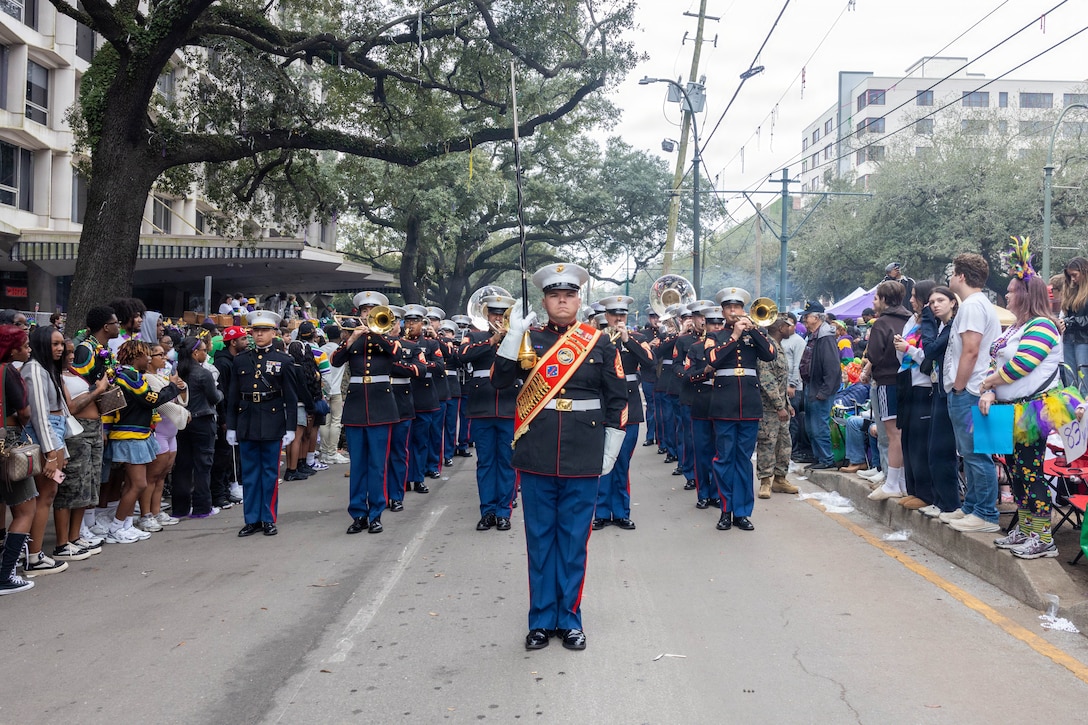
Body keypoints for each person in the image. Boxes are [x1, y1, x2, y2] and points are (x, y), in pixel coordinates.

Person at [491, 263, 627, 652]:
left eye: (568, 294)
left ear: (578, 298)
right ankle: (540, 620)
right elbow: (500, 381)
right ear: (545, 300)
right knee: (539, 540)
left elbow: (618, 399)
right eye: (554, 295)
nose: (562, 300)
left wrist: (611, 447)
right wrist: (512, 336)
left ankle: (569, 619)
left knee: (573, 542)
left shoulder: (599, 342)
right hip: (536, 453)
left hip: (583, 455)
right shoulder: (528, 338)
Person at [979, 239, 1070, 558]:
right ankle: (1027, 528)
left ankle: (1043, 537)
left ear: (1025, 295)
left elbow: (1022, 365)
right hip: (1008, 410)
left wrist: (988, 383)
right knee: (1016, 472)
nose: (1005, 295)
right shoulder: (1017, 327)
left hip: (1032, 410)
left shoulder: (1043, 326)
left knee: (1030, 472)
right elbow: (997, 361)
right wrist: (990, 388)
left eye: (1011, 290)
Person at [704, 287, 777, 531]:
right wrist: (734, 336)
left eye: (737, 307)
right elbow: (712, 360)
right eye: (729, 308)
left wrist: (753, 329)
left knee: (743, 461)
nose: (734, 311)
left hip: (749, 405)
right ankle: (726, 509)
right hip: (724, 405)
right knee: (724, 459)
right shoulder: (715, 336)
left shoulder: (754, 333)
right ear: (723, 312)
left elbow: (770, 355)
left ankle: (743, 512)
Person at [103, 339, 187, 544]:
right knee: (139, 484)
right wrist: (172, 387)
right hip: (130, 435)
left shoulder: (128, 374)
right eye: (145, 355)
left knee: (133, 483)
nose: (148, 358)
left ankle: (126, 524)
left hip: (137, 434)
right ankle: (117, 526)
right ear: (135, 357)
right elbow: (152, 399)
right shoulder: (129, 376)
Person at [330, 292, 400, 535]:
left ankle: (376, 513)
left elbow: (395, 355)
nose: (367, 314)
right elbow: (336, 361)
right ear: (358, 313)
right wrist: (351, 340)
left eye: (372, 311)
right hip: (357, 406)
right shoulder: (352, 338)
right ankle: (358, 513)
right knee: (358, 464)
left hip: (382, 406)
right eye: (364, 311)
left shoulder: (388, 338)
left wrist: (375, 332)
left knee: (377, 464)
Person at [942, 253, 1002, 533]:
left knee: (977, 454)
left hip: (970, 389)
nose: (950, 278)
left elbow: (971, 349)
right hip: (973, 388)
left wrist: (958, 386)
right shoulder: (977, 304)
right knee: (971, 453)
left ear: (962, 276)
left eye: (952, 273)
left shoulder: (973, 306)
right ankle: (972, 507)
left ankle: (986, 514)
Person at [226, 310, 299, 537]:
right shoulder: (240, 360)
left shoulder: (284, 361)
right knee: (249, 474)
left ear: (273, 332)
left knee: (269, 473)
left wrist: (290, 427)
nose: (259, 335)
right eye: (256, 331)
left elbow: (291, 397)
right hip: (247, 419)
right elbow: (233, 395)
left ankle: (268, 518)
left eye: (264, 331)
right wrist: (231, 426)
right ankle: (251, 519)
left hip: (272, 419)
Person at [459, 294, 520, 531]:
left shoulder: (518, 338)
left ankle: (504, 511)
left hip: (508, 407)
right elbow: (461, 356)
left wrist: (512, 338)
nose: (499, 318)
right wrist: (494, 339)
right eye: (494, 314)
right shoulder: (475, 336)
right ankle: (488, 511)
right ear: (487, 316)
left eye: (503, 315)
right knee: (485, 462)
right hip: (482, 407)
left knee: (506, 462)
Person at [593, 295, 653, 529]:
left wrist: (628, 341)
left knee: (622, 462)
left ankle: (621, 511)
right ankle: (600, 511)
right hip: (603, 405)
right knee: (603, 460)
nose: (618, 318)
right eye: (613, 314)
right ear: (605, 316)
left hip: (629, 405)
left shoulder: (638, 338)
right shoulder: (596, 340)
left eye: (622, 314)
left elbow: (650, 362)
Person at [21, 325, 74, 575]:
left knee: (49, 493)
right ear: (42, 343)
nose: (60, 348)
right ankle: (33, 556)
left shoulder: (46, 368)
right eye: (55, 344)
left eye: (61, 343)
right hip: (46, 435)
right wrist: (51, 452)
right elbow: (40, 416)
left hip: (55, 432)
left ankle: (34, 552)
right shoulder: (34, 369)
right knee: (44, 496)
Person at [59, 339, 111, 553]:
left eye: (72, 352)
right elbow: (71, 407)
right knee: (72, 486)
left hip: (93, 429)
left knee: (88, 485)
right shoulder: (57, 376)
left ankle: (76, 535)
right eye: (67, 352)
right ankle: (64, 541)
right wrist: (98, 390)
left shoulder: (74, 373)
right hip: (76, 432)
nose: (72, 356)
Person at [891, 279, 938, 511]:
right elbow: (905, 355)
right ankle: (913, 489)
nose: (910, 301)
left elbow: (929, 357)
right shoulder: (912, 320)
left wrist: (908, 349)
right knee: (908, 437)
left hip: (923, 385)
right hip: (906, 380)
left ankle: (926, 492)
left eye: (914, 296)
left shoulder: (933, 323)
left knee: (920, 441)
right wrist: (900, 346)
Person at [865, 280, 913, 501]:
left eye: (876, 297)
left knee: (893, 434)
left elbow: (873, 355)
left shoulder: (881, 323)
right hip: (910, 379)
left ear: (884, 299)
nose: (875, 302)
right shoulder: (910, 319)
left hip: (887, 380)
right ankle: (901, 482)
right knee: (903, 434)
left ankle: (892, 482)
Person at [0, 325, 37, 594]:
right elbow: (24, 411)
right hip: (7, 441)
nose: (28, 349)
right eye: (24, 345)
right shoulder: (8, 371)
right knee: (26, 509)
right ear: (11, 349)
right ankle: (6, 575)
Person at [920, 286, 961, 517]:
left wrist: (926, 319)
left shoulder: (953, 325)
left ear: (953, 302)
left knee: (943, 451)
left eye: (940, 300)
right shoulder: (943, 326)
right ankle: (941, 501)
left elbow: (930, 349)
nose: (935, 305)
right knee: (935, 450)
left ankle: (949, 504)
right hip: (940, 390)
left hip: (951, 392)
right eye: (931, 302)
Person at [173, 337, 222, 518]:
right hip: (203, 420)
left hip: (182, 422)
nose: (206, 353)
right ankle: (202, 507)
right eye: (203, 350)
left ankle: (180, 508)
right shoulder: (203, 374)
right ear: (195, 353)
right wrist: (221, 394)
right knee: (203, 465)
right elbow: (214, 397)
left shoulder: (177, 372)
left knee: (183, 466)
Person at [755, 318, 799, 498]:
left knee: (784, 444)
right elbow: (767, 381)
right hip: (768, 408)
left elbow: (781, 381)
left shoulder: (778, 347)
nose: (791, 328)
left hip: (780, 406)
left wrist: (787, 405)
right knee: (767, 443)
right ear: (781, 328)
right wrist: (780, 406)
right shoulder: (768, 348)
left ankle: (780, 479)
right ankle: (765, 481)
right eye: (788, 326)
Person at [799, 308, 841, 470]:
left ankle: (827, 459)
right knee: (811, 426)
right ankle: (819, 457)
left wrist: (824, 391)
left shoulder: (825, 337)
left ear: (816, 318)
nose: (804, 319)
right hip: (811, 386)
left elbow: (832, 368)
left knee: (819, 426)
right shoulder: (813, 335)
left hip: (820, 389)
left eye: (807, 316)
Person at [318, 325, 350, 465]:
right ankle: (332, 452)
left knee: (325, 422)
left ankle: (324, 452)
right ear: (339, 335)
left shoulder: (321, 350)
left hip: (324, 390)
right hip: (337, 390)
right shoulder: (340, 350)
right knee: (336, 422)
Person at [1060, 257, 1088, 392]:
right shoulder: (1073, 290)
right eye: (1070, 276)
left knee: (1083, 379)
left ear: (1084, 272)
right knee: (1071, 379)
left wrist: (1070, 321)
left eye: (1074, 275)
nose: (1072, 280)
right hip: (1070, 338)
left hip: (1084, 339)